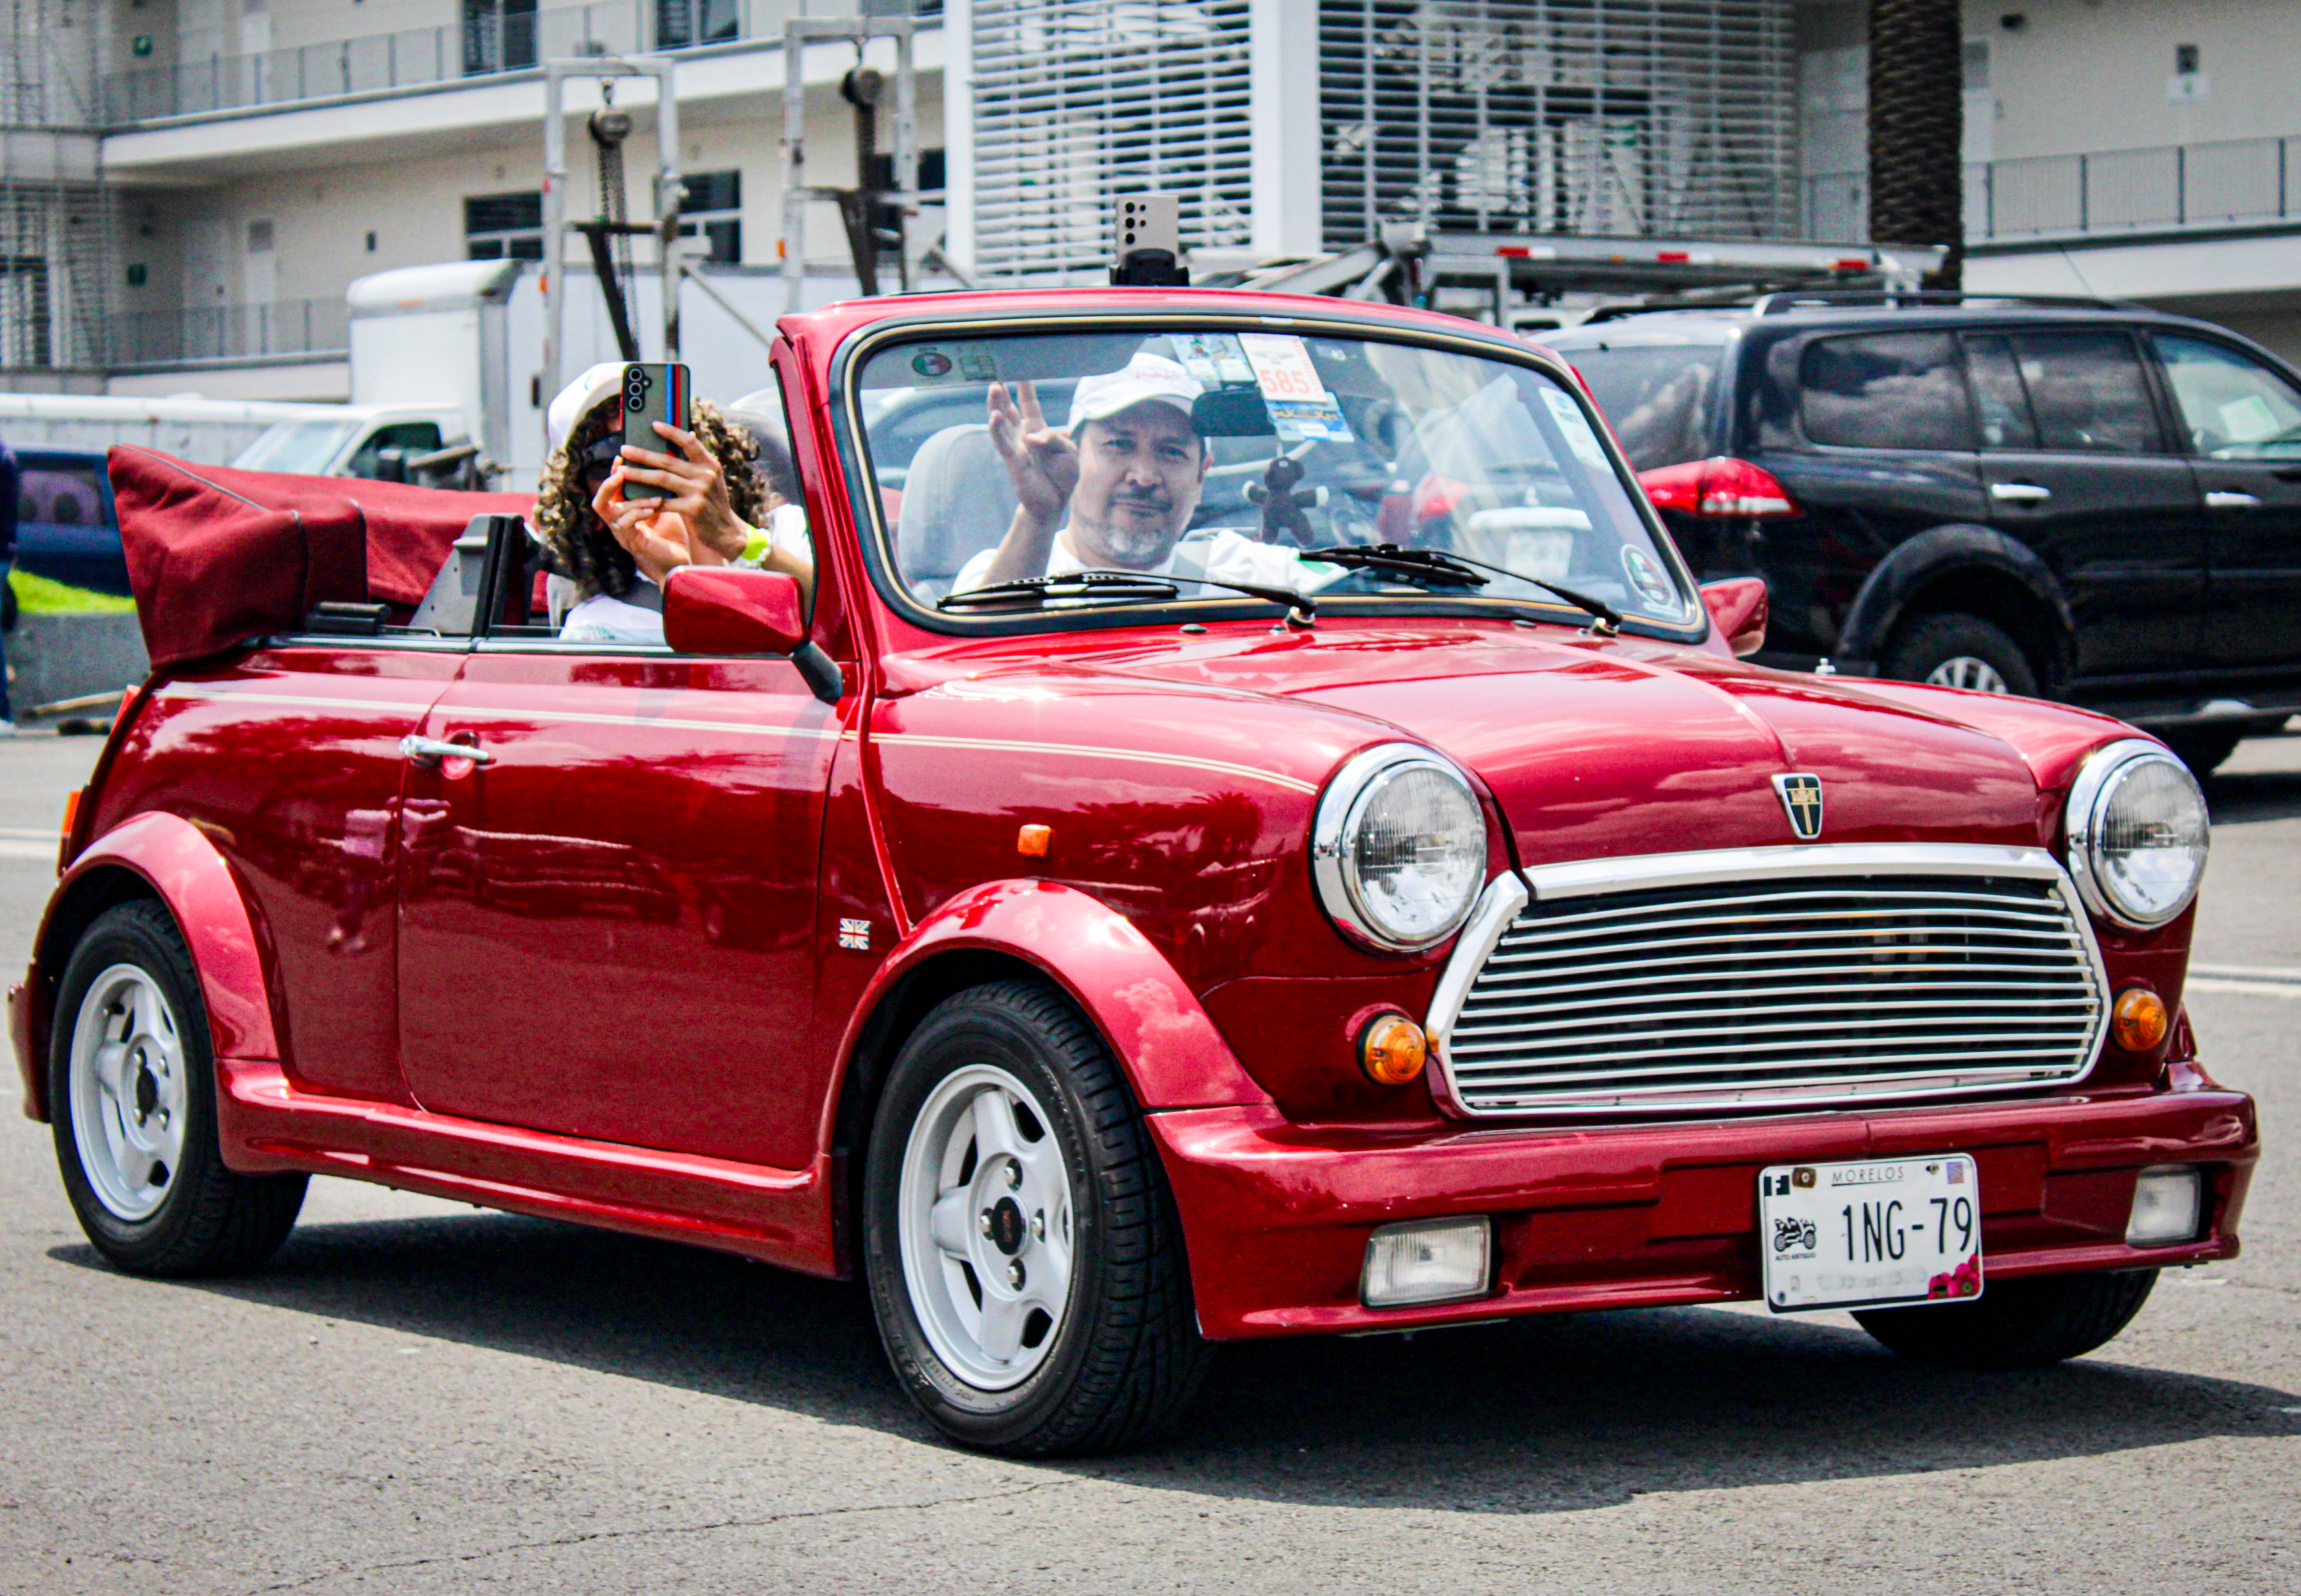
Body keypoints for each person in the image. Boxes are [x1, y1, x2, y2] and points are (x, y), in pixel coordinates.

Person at [950, 352, 1344, 598]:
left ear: (1201, 474)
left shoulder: (1249, 575)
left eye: (1172, 453)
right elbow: (968, 672)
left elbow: (1379, 594)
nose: (1143, 476)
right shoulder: (1001, 572)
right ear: (1073, 454)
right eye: (1119, 445)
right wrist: (1037, 518)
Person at [535, 363, 814, 643]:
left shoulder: (787, 532)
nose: (645, 468)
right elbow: (727, 679)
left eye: (659, 444)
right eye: (608, 459)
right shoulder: (599, 630)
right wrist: (674, 578)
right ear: (586, 505)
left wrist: (739, 539)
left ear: (706, 449)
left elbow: (846, 620)